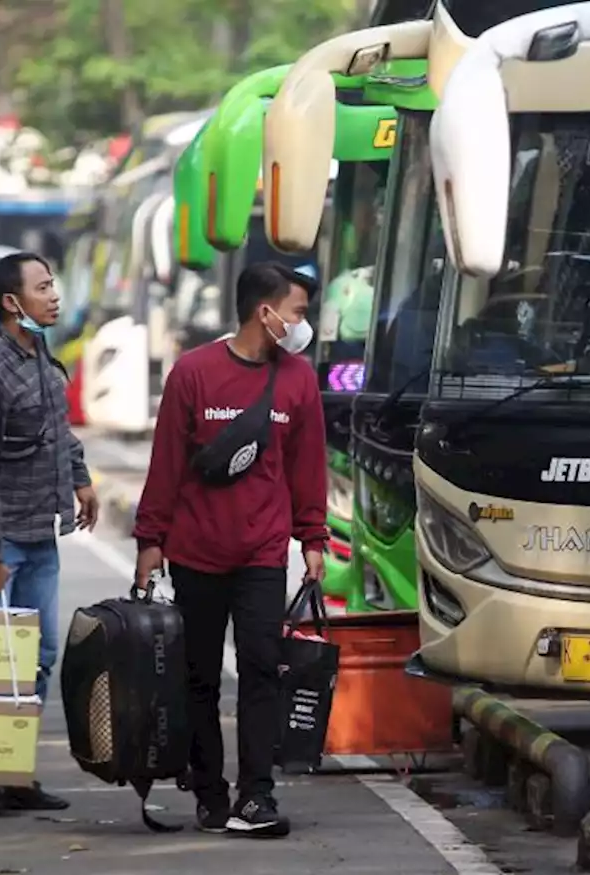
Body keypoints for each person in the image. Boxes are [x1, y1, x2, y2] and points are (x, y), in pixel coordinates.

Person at [132, 262, 328, 838]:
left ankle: (257, 796)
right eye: (296, 311)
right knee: (197, 678)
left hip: (263, 554)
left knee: (263, 670)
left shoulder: (298, 381)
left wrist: (312, 538)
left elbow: (307, 467)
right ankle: (210, 792)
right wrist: (151, 540)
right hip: (196, 553)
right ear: (265, 313)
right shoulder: (192, 374)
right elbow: (166, 463)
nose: (302, 323)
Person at [0, 251, 100, 817]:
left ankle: (14, 771)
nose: (55, 294)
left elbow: (57, 429)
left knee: (38, 656)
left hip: (39, 532)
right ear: (12, 302)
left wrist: (80, 480)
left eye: (53, 282)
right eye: (43, 286)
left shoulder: (39, 356)